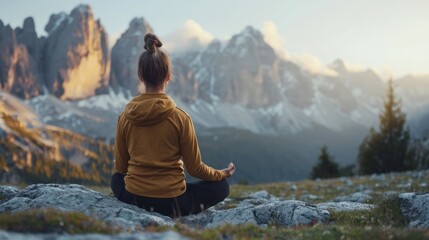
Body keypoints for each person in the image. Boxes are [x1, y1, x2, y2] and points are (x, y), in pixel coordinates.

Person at [111, 33, 236, 218]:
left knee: (116, 179)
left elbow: (121, 168)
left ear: (140, 76)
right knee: (221, 187)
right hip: (173, 202)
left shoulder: (125, 117)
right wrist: (222, 174)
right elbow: (195, 169)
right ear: (168, 76)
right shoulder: (181, 118)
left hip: (133, 197)